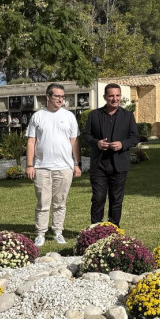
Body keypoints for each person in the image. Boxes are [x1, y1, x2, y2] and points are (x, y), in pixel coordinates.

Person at [26, 83, 82, 246]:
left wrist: (77, 164)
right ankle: (41, 233)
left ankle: (58, 231)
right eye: (57, 96)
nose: (60, 99)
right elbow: (31, 141)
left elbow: (74, 142)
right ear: (48, 97)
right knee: (43, 203)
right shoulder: (38, 116)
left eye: (62, 96)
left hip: (64, 167)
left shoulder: (69, 116)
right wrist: (30, 165)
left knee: (60, 202)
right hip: (42, 167)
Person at [82, 83, 140, 227]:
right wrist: (97, 143)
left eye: (117, 95)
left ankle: (114, 229)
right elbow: (85, 136)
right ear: (105, 97)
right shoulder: (94, 115)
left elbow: (134, 137)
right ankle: (95, 229)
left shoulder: (127, 116)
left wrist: (122, 144)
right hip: (99, 165)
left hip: (119, 164)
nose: (115, 99)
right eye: (111, 96)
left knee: (116, 199)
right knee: (98, 198)